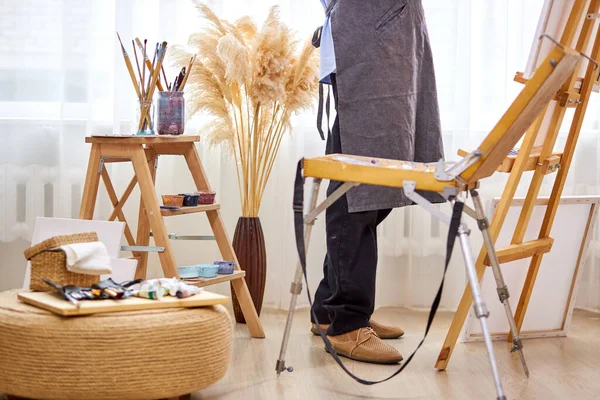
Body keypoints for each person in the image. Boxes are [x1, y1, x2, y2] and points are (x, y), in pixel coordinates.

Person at [310, 0, 444, 365]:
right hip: (370, 39)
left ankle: (328, 308)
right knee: (357, 191)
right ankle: (346, 322)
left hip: (391, 38)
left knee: (376, 183)